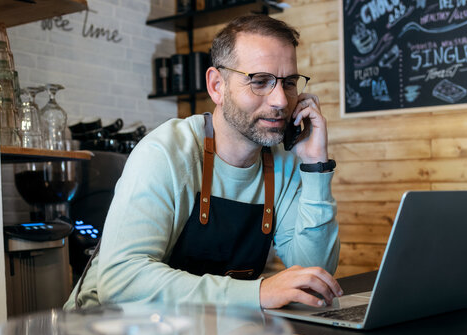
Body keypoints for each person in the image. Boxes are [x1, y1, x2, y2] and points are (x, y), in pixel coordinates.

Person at [64, 14, 341, 311]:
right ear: (216, 86)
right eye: (260, 81)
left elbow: (313, 275)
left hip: (202, 331)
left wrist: (315, 167)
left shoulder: (284, 162)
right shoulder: (165, 152)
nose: (281, 101)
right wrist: (256, 293)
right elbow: (121, 283)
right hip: (107, 333)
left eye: (288, 83)